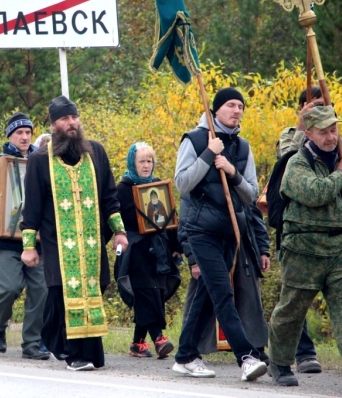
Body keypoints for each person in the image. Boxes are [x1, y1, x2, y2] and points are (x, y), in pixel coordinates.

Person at [20, 96, 129, 371]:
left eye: (74, 118)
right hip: (58, 242)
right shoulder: (39, 160)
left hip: (92, 242)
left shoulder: (95, 153)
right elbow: (31, 206)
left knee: (95, 288)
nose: (72, 123)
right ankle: (72, 353)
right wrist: (28, 246)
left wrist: (119, 231)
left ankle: (82, 349)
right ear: (54, 124)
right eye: (65, 119)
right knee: (61, 293)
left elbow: (109, 196)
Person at [172, 87, 267, 381]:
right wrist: (208, 154)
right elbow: (182, 183)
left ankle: (185, 355)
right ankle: (247, 357)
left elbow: (251, 194)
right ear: (215, 110)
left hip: (231, 232)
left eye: (240, 106)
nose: (236, 110)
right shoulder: (196, 138)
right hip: (201, 231)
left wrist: (231, 170)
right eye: (230, 105)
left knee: (206, 294)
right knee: (224, 294)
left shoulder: (243, 146)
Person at [268, 106, 342, 386]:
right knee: (292, 310)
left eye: (334, 130)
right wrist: (341, 171)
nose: (330, 137)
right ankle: (278, 362)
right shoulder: (296, 164)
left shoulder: (340, 157)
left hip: (340, 248)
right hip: (304, 248)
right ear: (309, 133)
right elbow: (317, 193)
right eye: (323, 132)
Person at [0, 112, 49, 360]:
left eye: (28, 132)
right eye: (19, 133)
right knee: (9, 287)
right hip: (5, 239)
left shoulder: (42, 160)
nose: (24, 137)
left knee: (41, 289)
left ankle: (32, 342)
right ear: (10, 136)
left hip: (36, 241)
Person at [271, 86, 325, 374]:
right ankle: (302, 353)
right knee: (295, 295)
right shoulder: (290, 133)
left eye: (323, 104)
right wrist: (304, 126)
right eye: (314, 104)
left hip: (330, 226)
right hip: (295, 226)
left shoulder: (334, 136)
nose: (319, 109)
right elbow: (289, 159)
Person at [180, 198, 271, 364]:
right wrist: (193, 259)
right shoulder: (194, 179)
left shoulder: (238, 179)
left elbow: (253, 214)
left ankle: (255, 346)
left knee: (247, 298)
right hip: (207, 247)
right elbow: (186, 222)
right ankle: (193, 351)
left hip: (241, 247)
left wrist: (263, 249)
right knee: (208, 301)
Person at [115, 142, 179, 359]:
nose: (146, 165)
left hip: (158, 249)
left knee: (156, 292)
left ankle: (137, 343)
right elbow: (114, 219)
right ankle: (159, 338)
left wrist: (176, 247)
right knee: (144, 293)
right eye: (142, 161)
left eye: (149, 161)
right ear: (133, 162)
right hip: (135, 250)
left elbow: (169, 218)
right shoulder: (122, 189)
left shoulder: (159, 187)